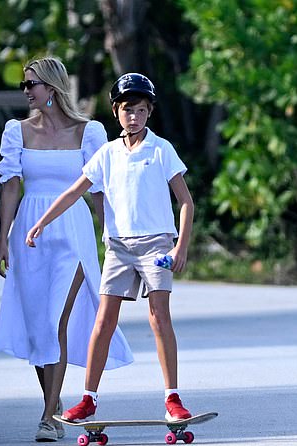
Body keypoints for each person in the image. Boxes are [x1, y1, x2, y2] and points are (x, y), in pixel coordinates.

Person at [26, 73, 195, 423]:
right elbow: (75, 191)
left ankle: (173, 399)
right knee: (102, 321)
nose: (134, 116)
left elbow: (186, 202)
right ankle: (88, 398)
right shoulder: (108, 153)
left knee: (159, 317)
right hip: (118, 247)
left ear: (150, 113)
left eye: (141, 110)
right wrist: (42, 221)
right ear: (116, 111)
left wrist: (180, 247)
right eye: (128, 109)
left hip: (156, 245)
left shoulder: (161, 149)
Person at [0, 57, 133, 442]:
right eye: (25, 84)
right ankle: (53, 404)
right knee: (39, 322)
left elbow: (100, 190)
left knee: (57, 317)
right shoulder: (15, 131)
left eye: (31, 84)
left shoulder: (89, 132)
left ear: (51, 88)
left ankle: (48, 416)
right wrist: (3, 238)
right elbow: (10, 187)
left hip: (72, 231)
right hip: (30, 232)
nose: (26, 91)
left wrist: (114, 237)